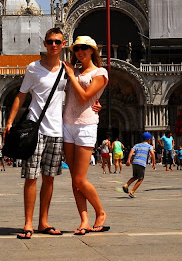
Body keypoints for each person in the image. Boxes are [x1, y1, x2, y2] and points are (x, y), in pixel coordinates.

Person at [4, 27, 69, 239]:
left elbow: (79, 93)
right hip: (35, 128)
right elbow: (21, 95)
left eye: (57, 42)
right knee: (31, 177)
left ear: (63, 44)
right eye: (50, 41)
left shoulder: (67, 70)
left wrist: (95, 104)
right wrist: (10, 122)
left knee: (49, 179)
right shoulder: (33, 68)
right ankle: (28, 223)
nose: (53, 45)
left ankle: (43, 222)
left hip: (56, 131)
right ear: (44, 43)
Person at [62, 35, 110, 235]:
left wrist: (71, 75)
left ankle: (100, 212)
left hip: (86, 126)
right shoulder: (73, 71)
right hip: (67, 125)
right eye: (76, 48)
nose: (80, 51)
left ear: (92, 50)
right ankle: (84, 220)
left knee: (80, 179)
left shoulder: (100, 72)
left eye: (84, 47)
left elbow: (84, 98)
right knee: (74, 180)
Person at [123, 132, 156, 198]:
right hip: (141, 163)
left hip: (135, 162)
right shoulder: (149, 146)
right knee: (140, 179)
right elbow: (152, 153)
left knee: (135, 176)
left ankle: (126, 185)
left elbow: (131, 152)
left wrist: (128, 160)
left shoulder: (137, 145)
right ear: (149, 140)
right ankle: (132, 192)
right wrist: (154, 163)